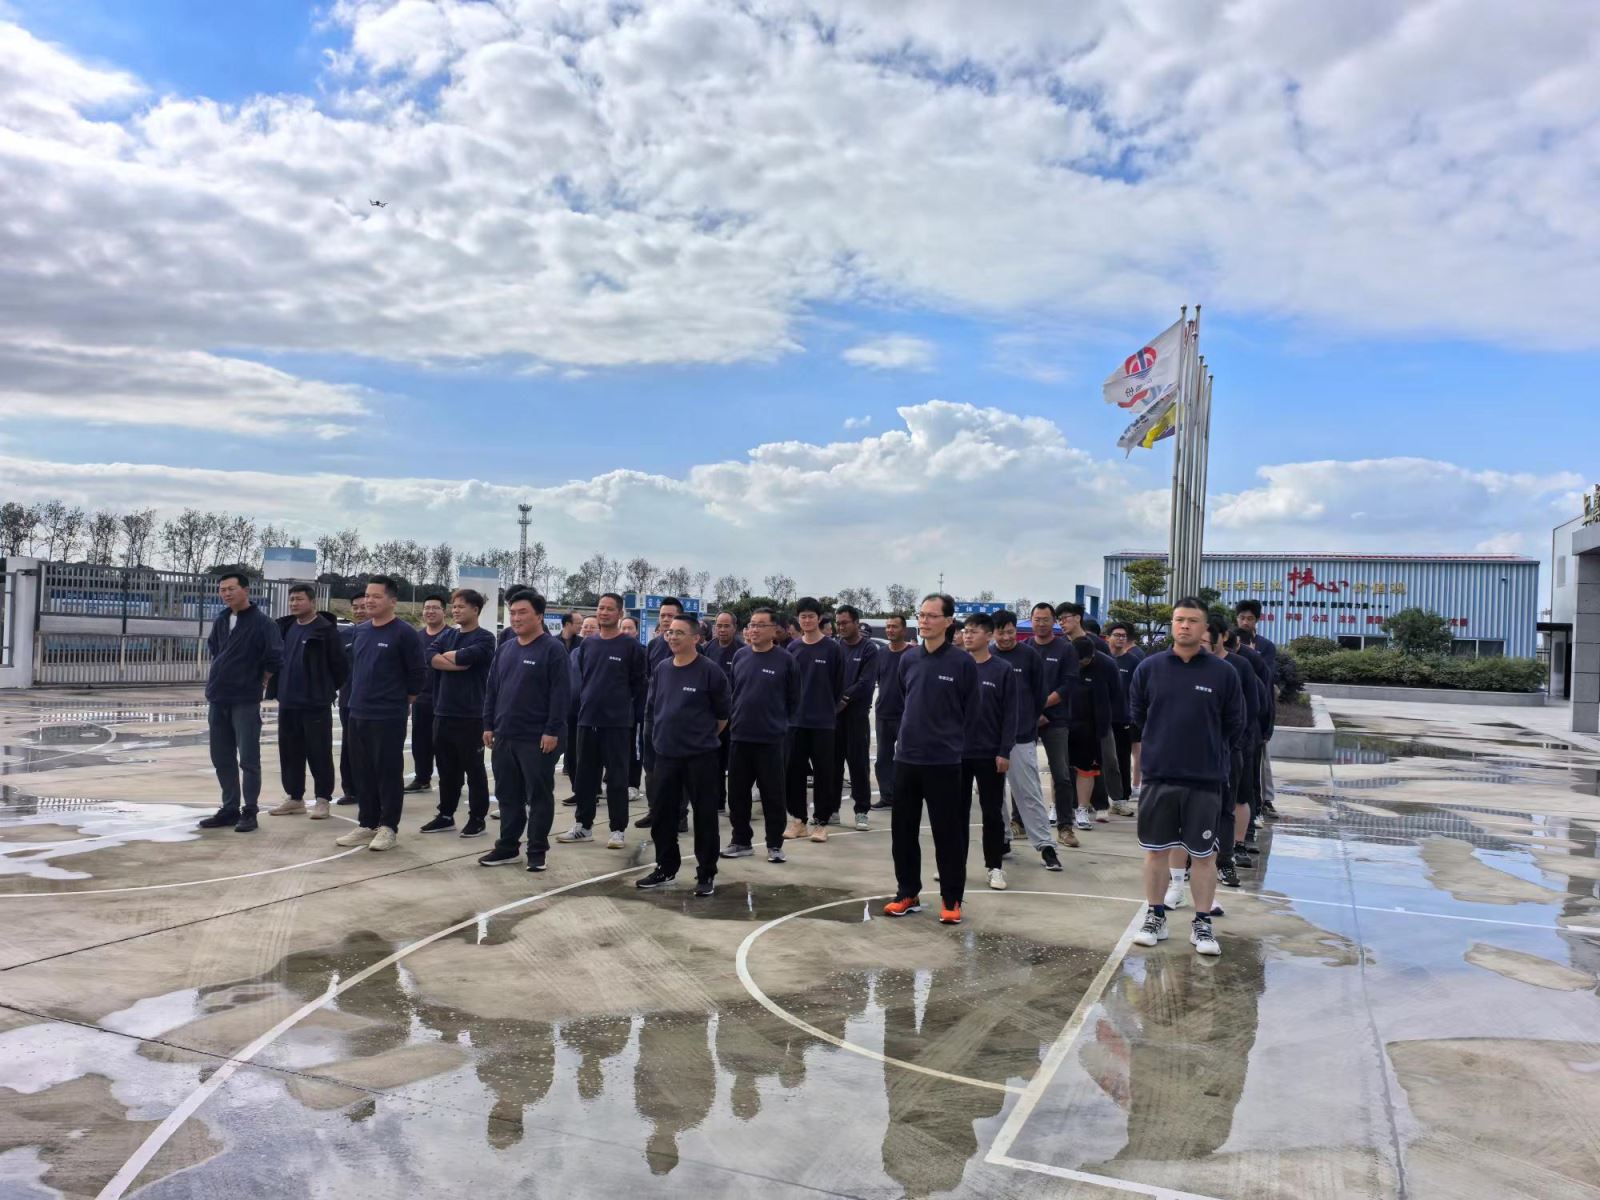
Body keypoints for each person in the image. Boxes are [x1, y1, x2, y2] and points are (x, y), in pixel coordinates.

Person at [1129, 597, 1246, 957]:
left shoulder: (1223, 673)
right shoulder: (1149, 668)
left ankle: (1202, 923)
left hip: (1205, 779)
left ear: (1205, 628)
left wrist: (1209, 752)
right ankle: (1156, 917)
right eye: (1179, 619)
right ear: (1172, 624)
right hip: (1159, 776)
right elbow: (1138, 715)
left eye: (1193, 621)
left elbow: (1235, 724)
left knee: (1204, 856)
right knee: (1155, 852)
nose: (1184, 626)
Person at [883, 594, 977, 926]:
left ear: (949, 621)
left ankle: (951, 899)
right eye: (921, 615)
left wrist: (952, 743)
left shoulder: (962, 663)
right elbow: (905, 699)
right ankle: (907, 893)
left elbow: (971, 711)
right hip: (907, 758)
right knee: (902, 832)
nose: (924, 621)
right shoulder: (908, 659)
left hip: (944, 762)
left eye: (932, 616)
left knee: (947, 834)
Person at [635, 612, 730, 896]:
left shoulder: (710, 671)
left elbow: (722, 716)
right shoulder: (662, 669)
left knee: (704, 816)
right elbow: (653, 708)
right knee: (662, 814)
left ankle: (706, 872)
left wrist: (700, 737)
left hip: (701, 756)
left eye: (679, 632)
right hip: (666, 754)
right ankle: (665, 867)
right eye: (669, 632)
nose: (672, 637)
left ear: (696, 638)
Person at [478, 591, 569, 870]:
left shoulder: (553, 649)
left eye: (522, 612)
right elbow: (492, 689)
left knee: (538, 795)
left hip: (537, 738)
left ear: (539, 615)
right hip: (505, 735)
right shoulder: (506, 648)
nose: (516, 618)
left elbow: (561, 694)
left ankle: (537, 851)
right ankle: (507, 847)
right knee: (508, 795)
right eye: (513, 613)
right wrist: (488, 724)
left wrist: (552, 730)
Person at [335, 576, 426, 852]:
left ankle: (388, 827)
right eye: (367, 595)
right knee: (362, 771)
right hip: (357, 711)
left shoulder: (404, 633)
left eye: (376, 596)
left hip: (388, 714)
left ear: (392, 601)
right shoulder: (361, 631)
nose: (369, 601)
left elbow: (417, 675)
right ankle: (367, 823)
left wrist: (399, 701)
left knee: (387, 772)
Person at [198, 572, 283, 832]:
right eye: (222, 589)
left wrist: (259, 679)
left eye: (231, 588)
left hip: (245, 699)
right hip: (218, 696)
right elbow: (215, 648)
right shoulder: (222, 619)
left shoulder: (263, 623)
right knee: (221, 757)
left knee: (248, 759)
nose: (226, 593)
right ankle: (229, 808)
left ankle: (250, 810)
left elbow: (275, 657)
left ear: (246, 590)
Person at [565, 592, 648, 849]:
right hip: (587, 719)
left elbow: (639, 685)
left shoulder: (631, 647)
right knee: (585, 777)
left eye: (610, 609)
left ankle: (617, 829)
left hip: (617, 723)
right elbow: (584, 679)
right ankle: (583, 825)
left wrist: (628, 713)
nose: (603, 612)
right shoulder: (588, 645)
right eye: (600, 608)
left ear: (620, 613)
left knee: (617, 778)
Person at [720, 607, 800, 863]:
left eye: (760, 625)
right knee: (737, 794)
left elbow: (794, 700)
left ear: (774, 630)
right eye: (751, 625)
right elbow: (733, 692)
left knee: (772, 795)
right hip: (740, 736)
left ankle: (774, 844)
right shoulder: (741, 656)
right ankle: (741, 840)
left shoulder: (785, 660)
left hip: (771, 739)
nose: (754, 629)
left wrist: (780, 725)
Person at [266, 583, 346, 821]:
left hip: (315, 704)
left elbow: (341, 667)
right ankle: (294, 798)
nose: (294, 603)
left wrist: (324, 689)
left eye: (299, 599)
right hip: (288, 701)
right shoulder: (285, 627)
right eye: (292, 599)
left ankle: (322, 799)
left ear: (312, 602)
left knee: (319, 753)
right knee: (290, 753)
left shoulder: (325, 630)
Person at [422, 588, 497, 837]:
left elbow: (468, 657)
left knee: (473, 770)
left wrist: (448, 660)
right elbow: (430, 656)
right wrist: (456, 663)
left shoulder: (485, 638)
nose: (455, 610)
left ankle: (477, 818)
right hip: (443, 712)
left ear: (475, 610)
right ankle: (446, 815)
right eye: (454, 606)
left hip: (471, 715)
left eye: (461, 606)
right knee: (446, 769)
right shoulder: (448, 635)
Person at [990, 611, 1060, 872]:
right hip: (989, 739)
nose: (1006, 637)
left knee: (1028, 792)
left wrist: (1028, 718)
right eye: (1001, 633)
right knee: (993, 794)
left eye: (1010, 632)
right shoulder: (986, 655)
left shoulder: (1029, 656)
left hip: (1020, 737)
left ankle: (1045, 846)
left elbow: (1041, 694)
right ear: (992, 633)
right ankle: (1002, 839)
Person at [960, 614, 1016, 891]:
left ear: (989, 635)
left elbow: (1010, 714)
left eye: (973, 631)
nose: (967, 636)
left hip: (990, 753)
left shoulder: (1002, 669)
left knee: (992, 813)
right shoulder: (957, 665)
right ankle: (953, 865)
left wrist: (1004, 751)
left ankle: (994, 866)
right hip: (956, 753)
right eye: (965, 631)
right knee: (955, 812)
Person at [783, 597, 845, 841]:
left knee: (824, 773)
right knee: (794, 772)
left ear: (819, 618)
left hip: (823, 723)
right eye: (803, 616)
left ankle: (821, 822)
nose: (807, 620)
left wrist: (827, 709)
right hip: (795, 722)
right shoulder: (793, 649)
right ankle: (798, 820)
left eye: (811, 616)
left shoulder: (832, 649)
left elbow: (838, 685)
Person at [1028, 602, 1079, 847]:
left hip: (1056, 720)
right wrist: (1033, 712)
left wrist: (1041, 707)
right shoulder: (1025, 648)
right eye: (1037, 619)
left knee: (1061, 774)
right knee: (1023, 773)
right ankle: (1019, 822)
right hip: (1027, 720)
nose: (1041, 624)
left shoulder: (1065, 649)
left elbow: (1068, 685)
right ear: (1031, 620)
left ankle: (1065, 827)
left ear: (1054, 621)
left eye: (1046, 619)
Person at [635, 597, 684, 829]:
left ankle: (679, 815)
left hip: (678, 718)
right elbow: (646, 677)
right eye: (662, 615)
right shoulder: (654, 645)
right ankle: (655, 811)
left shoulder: (692, 646)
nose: (665, 620)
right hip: (652, 714)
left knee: (677, 768)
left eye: (670, 616)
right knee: (651, 767)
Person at [831, 604, 880, 831]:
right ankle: (831, 810)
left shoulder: (869, 649)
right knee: (832, 765)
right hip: (834, 716)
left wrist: (845, 698)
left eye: (845, 623)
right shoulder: (835, 647)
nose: (841, 627)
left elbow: (866, 681)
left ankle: (861, 811)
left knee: (858, 764)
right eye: (838, 623)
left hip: (856, 715)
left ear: (856, 623)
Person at [1064, 636, 1115, 832]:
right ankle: (1059, 808)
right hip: (1063, 726)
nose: (1080, 663)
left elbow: (1110, 700)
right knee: (1060, 769)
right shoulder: (1064, 668)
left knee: (1086, 771)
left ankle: (1082, 809)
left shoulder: (1102, 668)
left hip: (1090, 729)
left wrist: (1103, 729)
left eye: (1084, 660)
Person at [1234, 599, 1278, 817]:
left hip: (1256, 717)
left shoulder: (1265, 647)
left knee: (1255, 768)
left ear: (1257, 620)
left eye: (1250, 618)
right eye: (1242, 618)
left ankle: (1259, 808)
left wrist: (1268, 724)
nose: (1245, 622)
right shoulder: (1229, 641)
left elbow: (1266, 683)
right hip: (1234, 716)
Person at [404, 594, 450, 793]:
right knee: (420, 742)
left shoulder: (451, 636)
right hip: (420, 699)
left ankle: (450, 781)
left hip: (445, 699)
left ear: (444, 611)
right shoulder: (416, 637)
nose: (430, 611)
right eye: (427, 608)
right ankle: (422, 778)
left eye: (435, 608)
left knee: (444, 744)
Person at [700, 611, 742, 810]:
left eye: (726, 626)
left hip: (736, 716)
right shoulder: (707, 648)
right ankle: (717, 802)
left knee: (734, 763)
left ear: (735, 628)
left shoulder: (742, 651)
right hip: (712, 715)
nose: (722, 630)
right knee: (714, 760)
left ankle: (736, 804)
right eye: (719, 626)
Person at [871, 613, 911, 813]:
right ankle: (887, 797)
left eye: (894, 626)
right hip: (884, 713)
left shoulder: (913, 654)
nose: (890, 630)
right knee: (883, 759)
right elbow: (877, 680)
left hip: (907, 715)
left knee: (907, 760)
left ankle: (907, 797)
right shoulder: (881, 654)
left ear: (904, 630)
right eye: (888, 627)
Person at [1106, 620, 1146, 814]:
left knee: (1122, 758)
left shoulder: (1133, 662)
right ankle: (1094, 801)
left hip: (1123, 718)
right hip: (1101, 718)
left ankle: (1121, 799)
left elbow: (1139, 691)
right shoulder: (1102, 659)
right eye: (1117, 635)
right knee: (1098, 760)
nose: (1121, 639)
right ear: (1108, 638)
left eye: (1123, 636)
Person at [334, 594, 367, 805]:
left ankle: (373, 790)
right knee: (349, 747)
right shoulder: (344, 635)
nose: (359, 611)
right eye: (355, 607)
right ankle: (351, 790)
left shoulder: (385, 634)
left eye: (363, 606)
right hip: (348, 699)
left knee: (372, 748)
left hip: (374, 702)